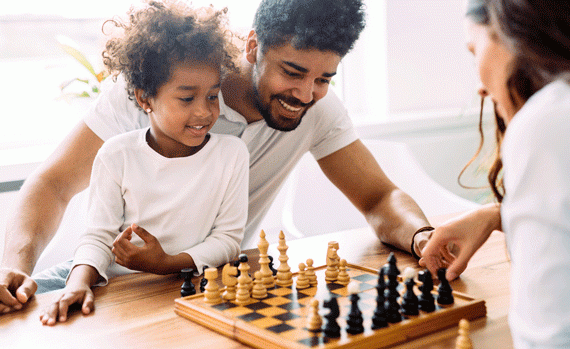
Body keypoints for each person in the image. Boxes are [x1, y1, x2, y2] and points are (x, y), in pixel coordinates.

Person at [1, 0, 433, 314]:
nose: (305, 95)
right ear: (252, 47)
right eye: (292, 72)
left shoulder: (317, 109)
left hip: (202, 288)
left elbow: (379, 198)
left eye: (324, 79)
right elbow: (53, 185)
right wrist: (12, 269)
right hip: (111, 282)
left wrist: (421, 234)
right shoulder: (162, 84)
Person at [35, 0, 249, 324]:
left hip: (177, 286)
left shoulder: (231, 154)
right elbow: (97, 238)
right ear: (144, 99)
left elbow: (228, 240)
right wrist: (78, 284)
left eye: (212, 95)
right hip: (110, 281)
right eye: (187, 98)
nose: (205, 112)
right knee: (23, 298)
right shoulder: (116, 155)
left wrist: (167, 262)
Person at [421, 0, 570, 347]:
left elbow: (546, 337)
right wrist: (496, 215)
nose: (480, 87)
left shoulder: (548, 122)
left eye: (475, 50)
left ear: (513, 31)